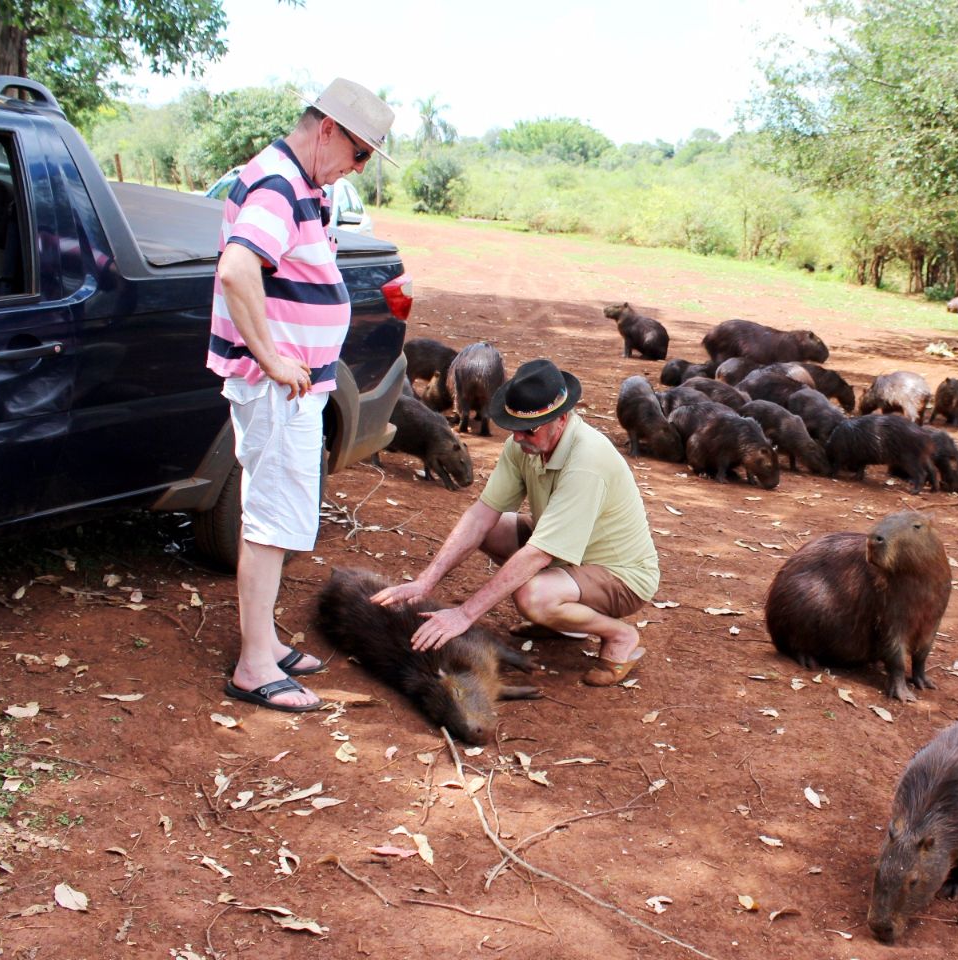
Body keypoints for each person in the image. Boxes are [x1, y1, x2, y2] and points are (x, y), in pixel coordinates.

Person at [209, 79, 396, 712]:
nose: (360, 167)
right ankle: (254, 664)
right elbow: (237, 269)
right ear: (328, 131)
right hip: (274, 387)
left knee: (280, 510)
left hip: (289, 387)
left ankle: (264, 641)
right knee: (269, 517)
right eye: (361, 152)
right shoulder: (280, 184)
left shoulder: (300, 182)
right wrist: (269, 355)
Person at [372, 359, 660, 686]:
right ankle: (561, 619)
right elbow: (482, 515)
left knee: (531, 596)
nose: (518, 438)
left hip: (619, 574)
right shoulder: (524, 443)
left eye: (529, 430)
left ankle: (620, 636)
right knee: (493, 528)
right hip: (567, 552)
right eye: (512, 426)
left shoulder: (587, 462)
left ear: (560, 419)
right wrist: (425, 582)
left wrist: (464, 615)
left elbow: (538, 554)